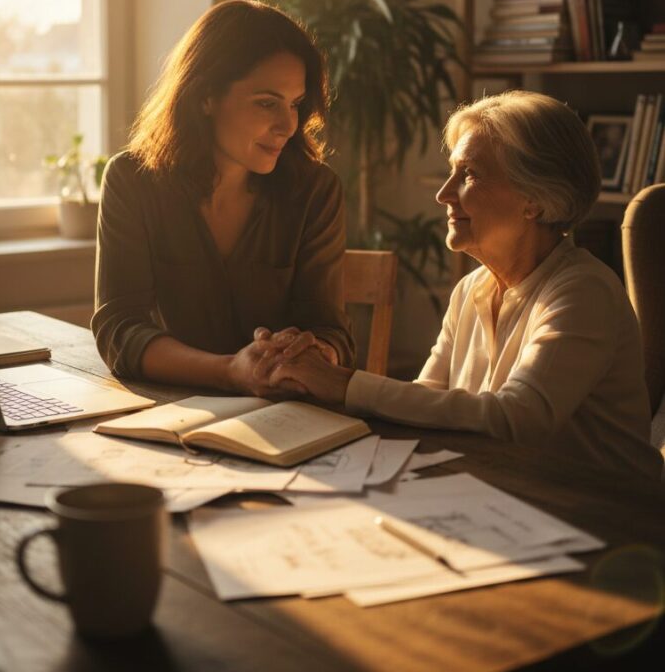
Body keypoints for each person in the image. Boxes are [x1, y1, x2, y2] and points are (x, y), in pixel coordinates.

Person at [268, 91, 663, 478]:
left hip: (609, 517)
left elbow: (515, 420)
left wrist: (341, 383)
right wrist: (312, 381)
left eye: (470, 174)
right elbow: (423, 401)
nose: (443, 194)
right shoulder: (470, 289)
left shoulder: (583, 292)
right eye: (451, 172)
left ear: (535, 200)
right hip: (509, 496)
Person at [92, 0, 354, 395]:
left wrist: (316, 350)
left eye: (295, 104)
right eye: (267, 103)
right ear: (205, 97)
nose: (288, 124)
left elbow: (330, 331)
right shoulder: (133, 180)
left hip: (289, 416)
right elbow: (119, 328)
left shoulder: (315, 191)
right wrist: (230, 370)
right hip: (171, 410)